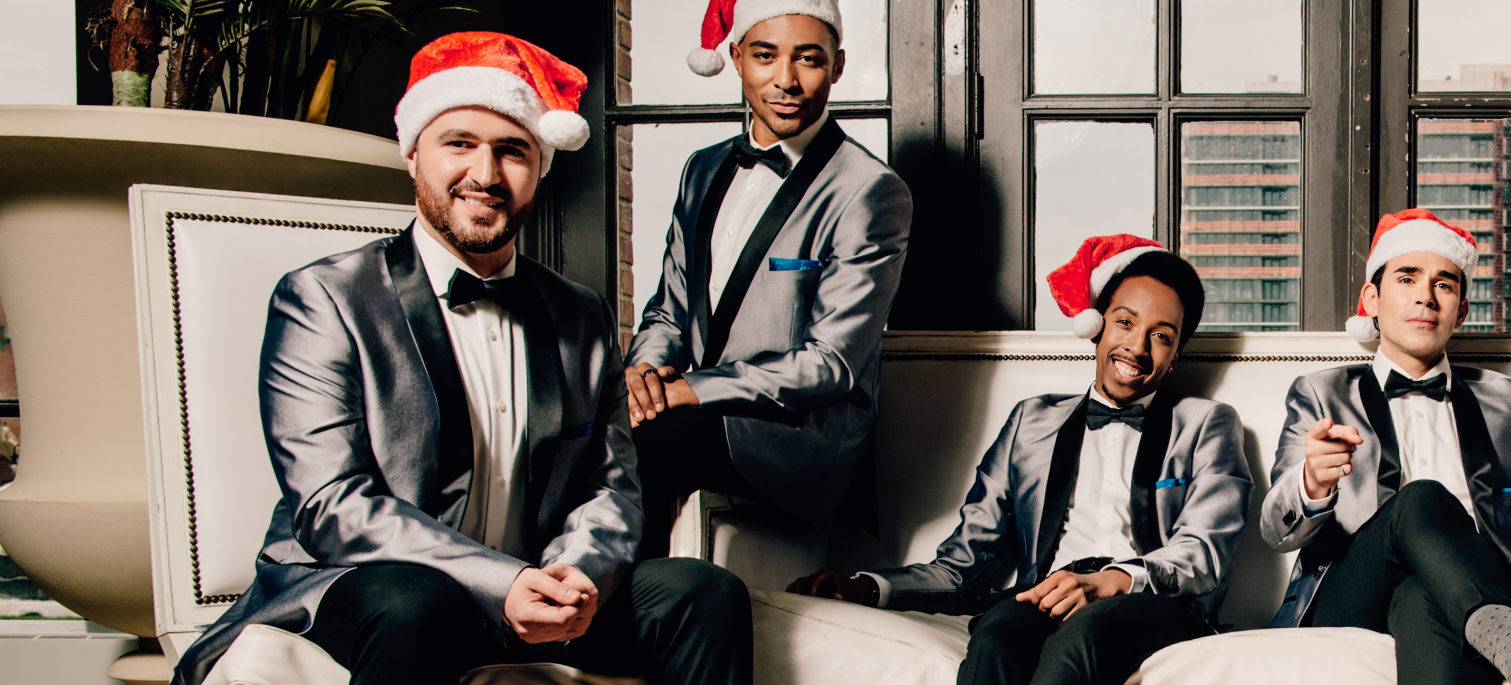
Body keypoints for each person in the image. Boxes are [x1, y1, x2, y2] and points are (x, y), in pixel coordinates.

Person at [173, 32, 752, 685]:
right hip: (363, 593)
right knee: (416, 604)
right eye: (460, 144)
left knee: (704, 594)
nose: (485, 173)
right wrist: (500, 581)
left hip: (533, 587)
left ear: (539, 168)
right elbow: (332, 503)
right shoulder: (323, 298)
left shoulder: (579, 312)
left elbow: (609, 486)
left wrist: (578, 574)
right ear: (414, 154)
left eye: (512, 151)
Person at [786, 235, 1248, 685]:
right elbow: (964, 566)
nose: (1138, 347)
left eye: (1161, 336)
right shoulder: (1032, 421)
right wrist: (866, 587)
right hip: (1045, 594)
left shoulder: (1207, 423)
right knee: (996, 634)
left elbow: (1204, 554)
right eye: (1125, 322)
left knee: (1083, 635)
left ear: (1176, 356)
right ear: (1098, 324)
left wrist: (1113, 580)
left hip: (1150, 603)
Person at [1258, 209, 1511, 685]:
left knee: (1421, 594)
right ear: (1371, 298)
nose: (1424, 298)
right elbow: (1275, 533)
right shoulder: (1320, 393)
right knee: (1423, 497)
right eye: (1407, 278)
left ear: (1462, 310)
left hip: (1479, 598)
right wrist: (1310, 484)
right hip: (1352, 595)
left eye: (1444, 285)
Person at [626, 0, 912, 555]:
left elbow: (830, 365)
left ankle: (627, 625)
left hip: (801, 436)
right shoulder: (702, 167)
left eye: (808, 59)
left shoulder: (870, 189)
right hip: (703, 413)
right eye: (765, 56)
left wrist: (692, 389)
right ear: (736, 58)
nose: (786, 80)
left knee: (635, 442)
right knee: (582, 427)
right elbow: (669, 309)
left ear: (838, 66)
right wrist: (644, 371)